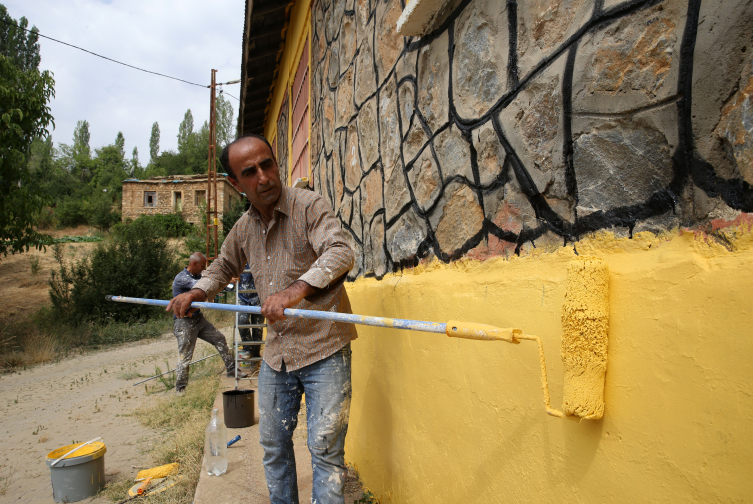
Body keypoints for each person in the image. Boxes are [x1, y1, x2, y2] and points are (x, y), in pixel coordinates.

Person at [166, 134, 356, 504]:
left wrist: (293, 290)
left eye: (267, 164)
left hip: (326, 346)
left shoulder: (308, 205)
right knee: (272, 444)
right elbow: (222, 266)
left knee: (324, 448)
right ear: (237, 184)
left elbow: (339, 252)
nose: (264, 177)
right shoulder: (243, 228)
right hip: (277, 354)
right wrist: (198, 292)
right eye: (249, 172)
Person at [171, 252, 243, 396]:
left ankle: (232, 369)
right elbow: (203, 287)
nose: (204, 269)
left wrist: (229, 282)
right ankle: (180, 387)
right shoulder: (182, 279)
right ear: (194, 264)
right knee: (185, 355)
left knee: (219, 338)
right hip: (184, 322)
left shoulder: (198, 275)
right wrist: (228, 282)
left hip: (198, 319)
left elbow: (214, 284)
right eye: (202, 266)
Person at [237, 263, 265, 376]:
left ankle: (256, 357)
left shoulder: (258, 259)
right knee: (242, 322)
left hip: (258, 298)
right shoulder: (239, 261)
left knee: (257, 329)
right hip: (243, 297)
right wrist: (232, 278)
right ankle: (248, 349)